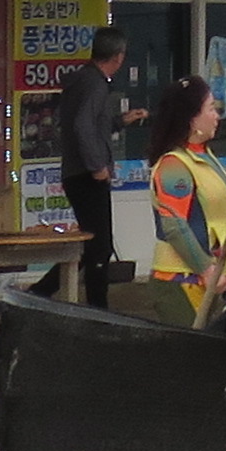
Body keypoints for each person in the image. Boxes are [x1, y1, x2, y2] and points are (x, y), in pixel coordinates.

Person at [127, 77, 226, 332]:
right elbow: (174, 226)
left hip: (214, 280)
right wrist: (207, 269)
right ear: (192, 119)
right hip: (183, 281)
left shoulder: (204, 155)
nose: (217, 116)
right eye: (211, 108)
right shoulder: (174, 165)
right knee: (193, 354)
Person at [62, 28, 131, 308]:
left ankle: (41, 292)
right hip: (86, 175)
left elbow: (91, 125)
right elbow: (82, 126)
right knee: (100, 246)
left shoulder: (81, 79)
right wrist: (97, 166)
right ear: (118, 57)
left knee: (91, 245)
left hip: (75, 172)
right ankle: (98, 309)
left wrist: (120, 121)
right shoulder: (95, 84)